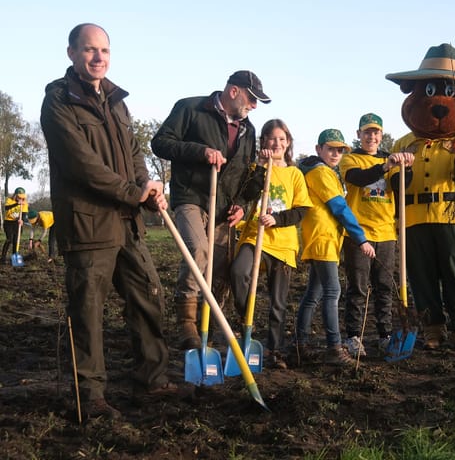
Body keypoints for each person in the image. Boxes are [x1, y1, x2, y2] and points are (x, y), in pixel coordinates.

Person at [40, 23, 175, 419]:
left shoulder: (117, 100)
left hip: (127, 222)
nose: (98, 57)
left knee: (149, 296)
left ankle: (151, 380)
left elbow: (133, 152)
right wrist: (133, 192)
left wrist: (147, 188)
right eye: (89, 49)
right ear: (71, 53)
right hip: (89, 225)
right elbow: (82, 165)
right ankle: (90, 396)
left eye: (104, 50)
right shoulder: (58, 102)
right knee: (88, 312)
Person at [151, 70, 270, 351]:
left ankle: (209, 322)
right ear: (233, 91)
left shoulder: (248, 130)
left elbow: (243, 174)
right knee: (198, 251)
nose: (254, 106)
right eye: (251, 99)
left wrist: (241, 206)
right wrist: (200, 152)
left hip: (223, 206)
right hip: (190, 196)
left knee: (218, 267)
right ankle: (186, 322)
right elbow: (160, 143)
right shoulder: (190, 108)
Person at [229, 119, 311, 370]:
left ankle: (275, 350)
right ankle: (246, 319)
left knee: (278, 302)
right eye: (272, 138)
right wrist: (262, 167)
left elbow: (301, 210)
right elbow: (248, 194)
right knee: (238, 272)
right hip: (255, 237)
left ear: (288, 143)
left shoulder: (294, 173)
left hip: (283, 244)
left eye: (281, 139)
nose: (277, 143)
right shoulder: (256, 168)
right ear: (263, 141)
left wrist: (277, 219)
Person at [295, 129, 376, 366]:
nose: (336, 154)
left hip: (323, 237)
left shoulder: (324, 171)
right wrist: (361, 238)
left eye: (340, 150)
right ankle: (334, 347)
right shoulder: (321, 172)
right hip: (323, 237)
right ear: (318, 149)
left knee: (314, 294)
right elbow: (339, 207)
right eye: (330, 149)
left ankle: (300, 344)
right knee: (333, 291)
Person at [339, 113, 414, 357]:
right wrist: (385, 166)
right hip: (358, 233)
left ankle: (385, 335)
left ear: (381, 135)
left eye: (376, 132)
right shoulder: (350, 159)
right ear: (359, 134)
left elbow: (401, 186)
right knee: (358, 288)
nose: (371, 136)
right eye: (367, 132)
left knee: (384, 287)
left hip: (386, 232)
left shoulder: (389, 158)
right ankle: (353, 336)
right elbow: (359, 179)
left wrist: (407, 168)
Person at [2, 187, 28, 263]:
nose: (21, 198)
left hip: (17, 223)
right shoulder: (9, 200)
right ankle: (3, 258)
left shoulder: (24, 203)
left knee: (16, 241)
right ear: (15, 195)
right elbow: (6, 208)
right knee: (9, 239)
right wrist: (17, 204)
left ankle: (14, 258)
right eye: (19, 197)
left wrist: (22, 220)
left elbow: (24, 214)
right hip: (8, 222)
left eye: (22, 197)